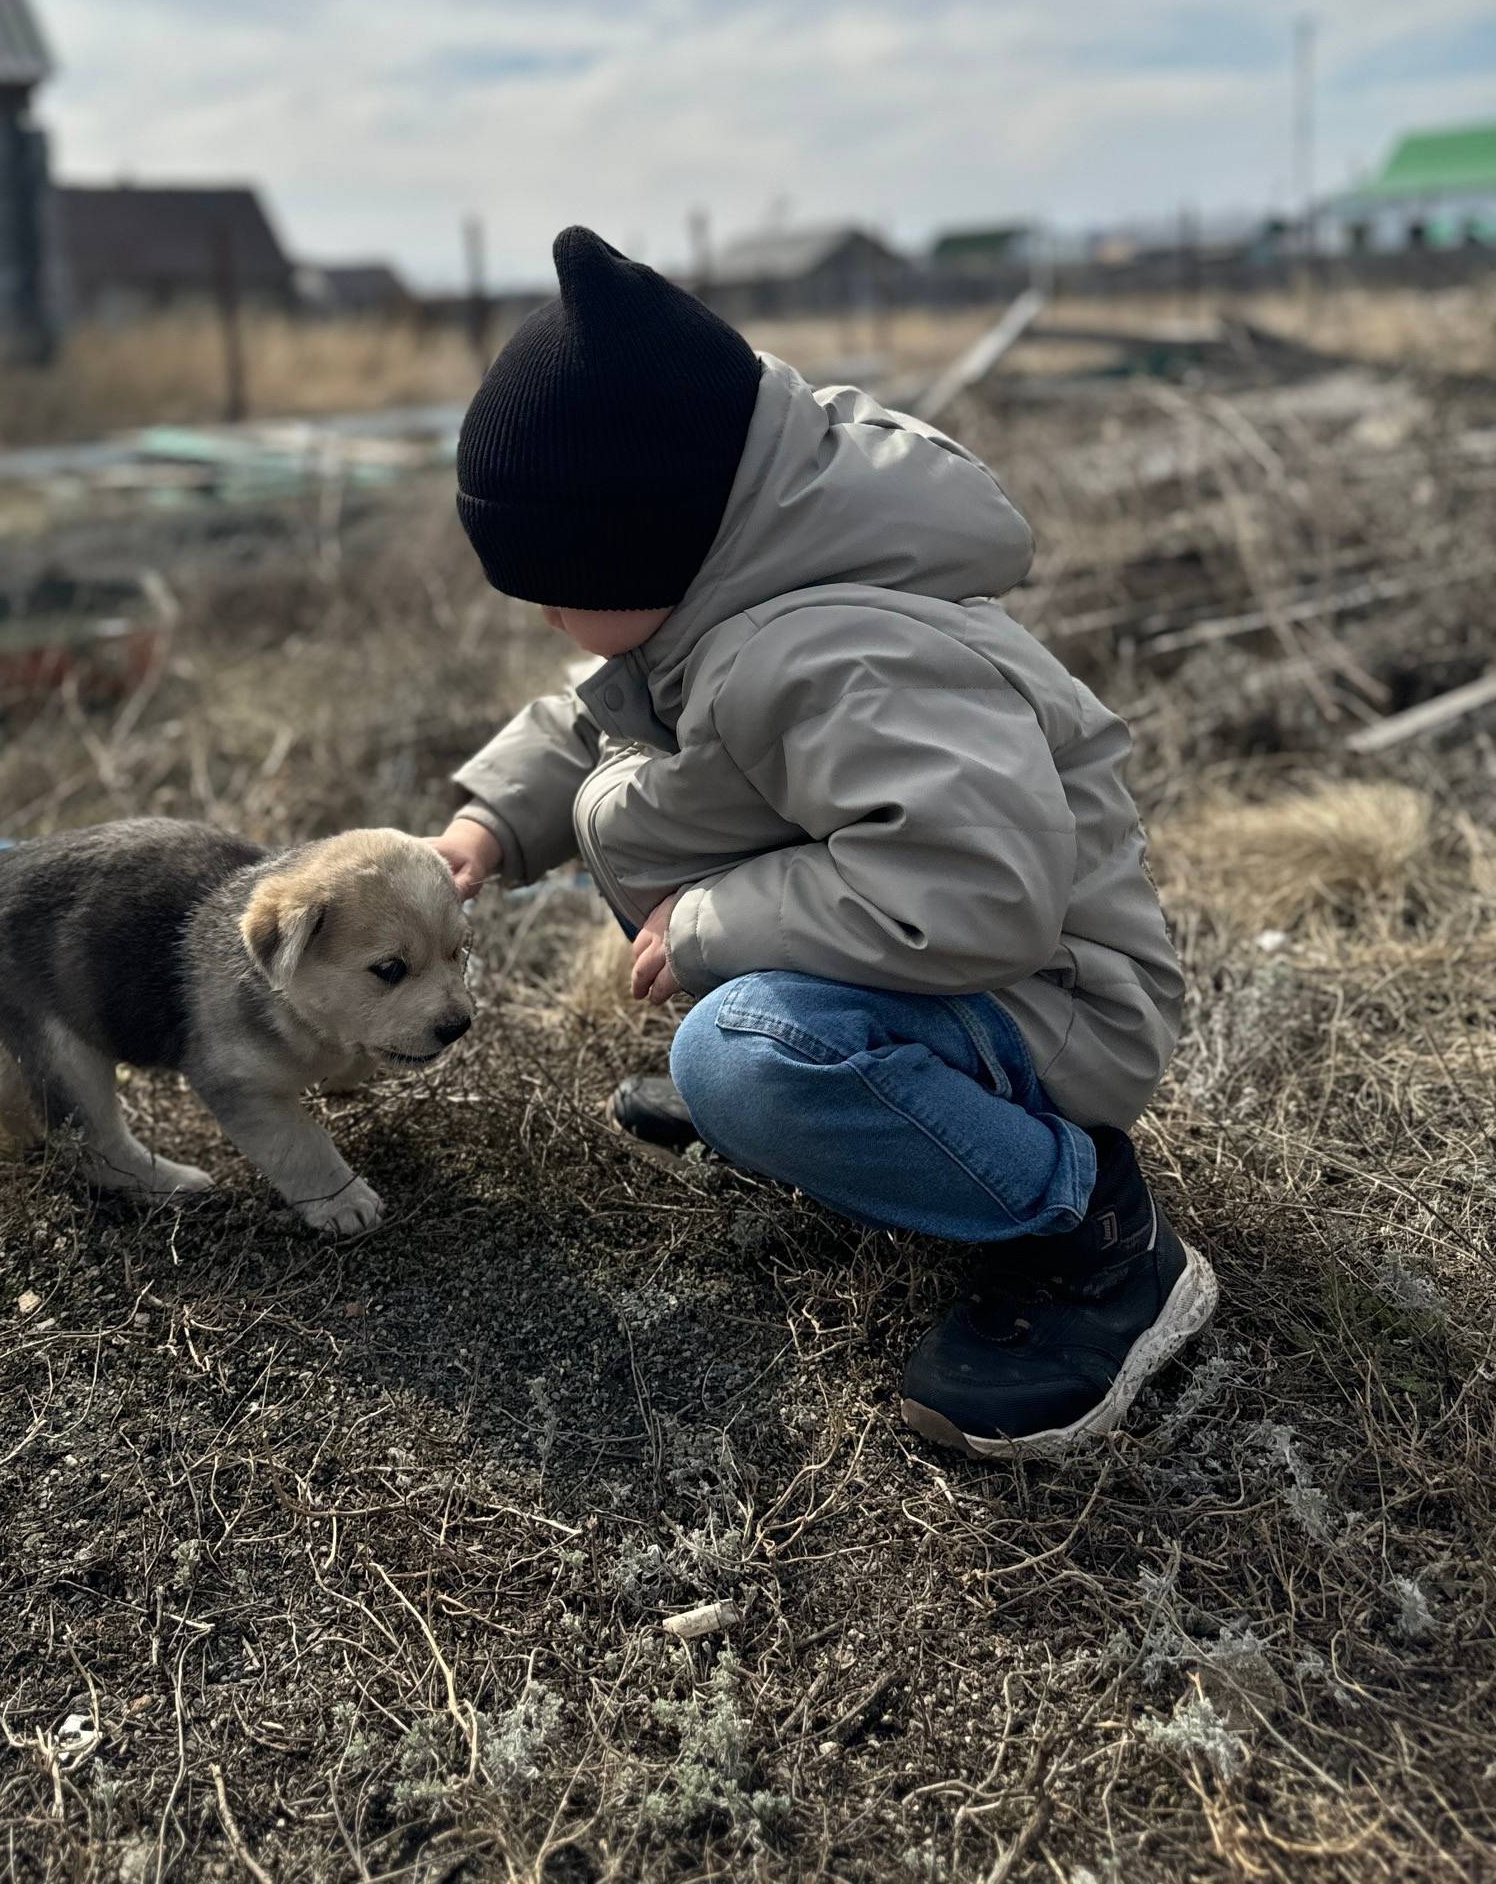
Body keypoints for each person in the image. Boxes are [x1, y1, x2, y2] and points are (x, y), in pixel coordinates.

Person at [426, 226, 1214, 1460]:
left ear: (651, 538)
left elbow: (973, 891)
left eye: (556, 578)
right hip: (954, 982)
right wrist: (490, 819)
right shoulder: (723, 595)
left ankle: (1087, 1234)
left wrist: (706, 928)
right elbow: (598, 719)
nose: (543, 612)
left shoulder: (841, 655)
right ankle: (829, 1109)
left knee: (741, 1055)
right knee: (713, 992)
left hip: (1052, 1005)